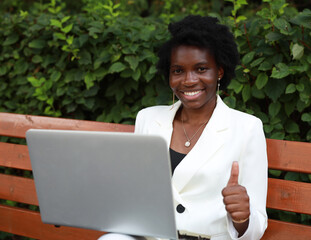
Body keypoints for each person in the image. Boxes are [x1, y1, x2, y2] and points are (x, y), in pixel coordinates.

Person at [100, 15, 268, 240]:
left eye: (201, 69)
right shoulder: (148, 119)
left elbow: (256, 227)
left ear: (219, 71)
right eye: (178, 71)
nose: (188, 80)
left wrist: (242, 217)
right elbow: (135, 195)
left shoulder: (247, 128)